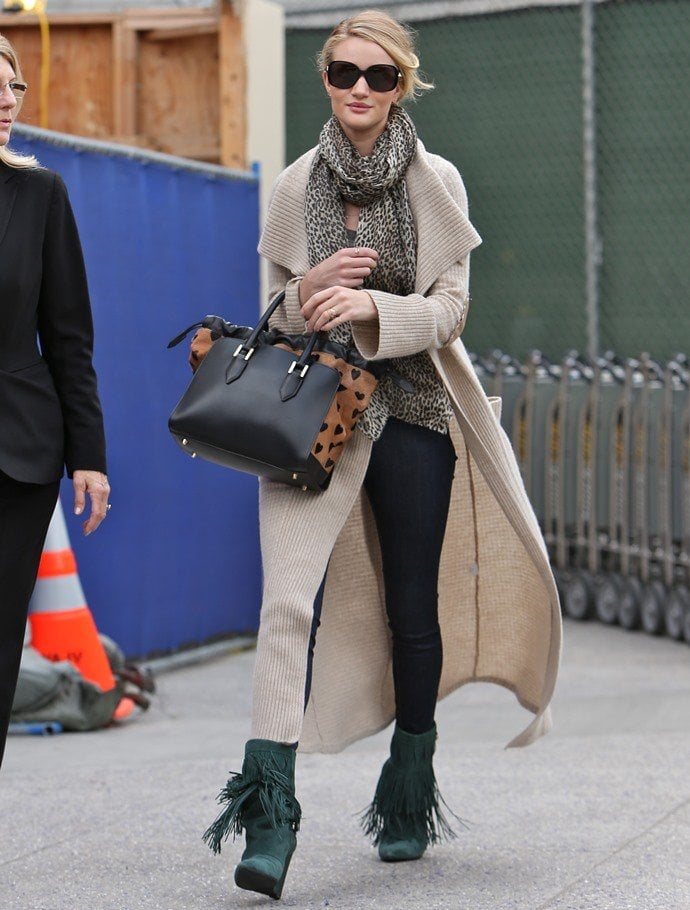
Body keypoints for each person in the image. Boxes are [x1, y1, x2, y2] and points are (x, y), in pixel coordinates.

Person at [203, 10, 562, 899]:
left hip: (412, 409)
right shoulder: (294, 187)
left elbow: (452, 310)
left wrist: (371, 309)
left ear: (403, 84)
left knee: (412, 609)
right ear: (325, 78)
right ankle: (270, 812)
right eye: (344, 73)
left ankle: (409, 783)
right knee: (287, 601)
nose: (359, 89)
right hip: (310, 414)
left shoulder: (436, 180)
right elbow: (275, 314)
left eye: (379, 76)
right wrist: (309, 292)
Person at [0, 34, 110, 768]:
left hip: (17, 453)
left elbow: (69, 336)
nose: (7, 101)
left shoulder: (41, 194)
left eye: (14, 87)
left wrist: (87, 457)